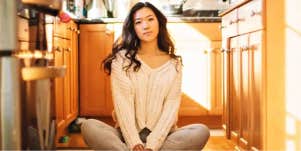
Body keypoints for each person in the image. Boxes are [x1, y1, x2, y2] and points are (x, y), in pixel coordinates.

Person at [81, 2, 210, 151]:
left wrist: (153, 145)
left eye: (150, 19)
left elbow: (171, 108)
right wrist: (134, 143)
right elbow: (123, 104)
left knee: (201, 131)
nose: (145, 26)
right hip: (126, 135)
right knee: (89, 126)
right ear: (133, 28)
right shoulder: (122, 60)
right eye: (138, 22)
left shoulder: (174, 65)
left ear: (159, 23)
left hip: (163, 137)